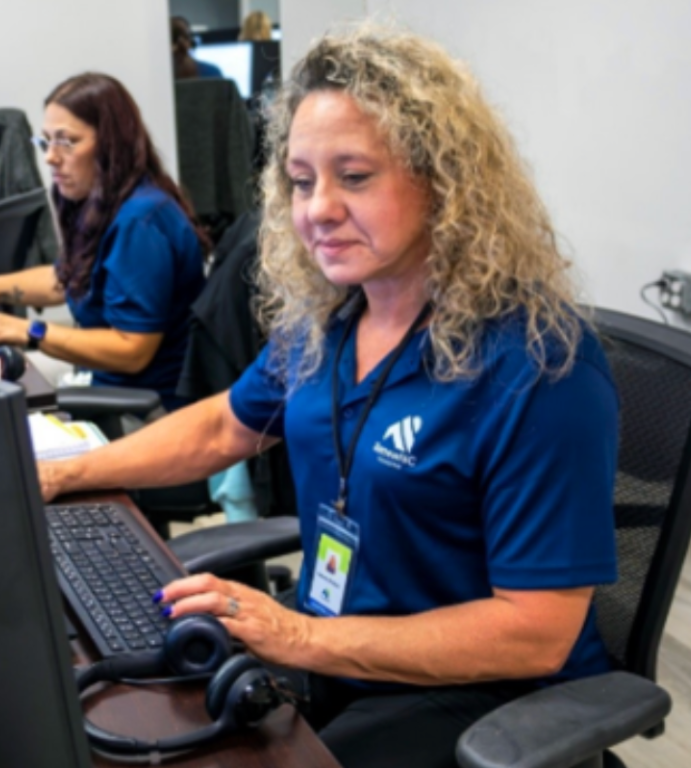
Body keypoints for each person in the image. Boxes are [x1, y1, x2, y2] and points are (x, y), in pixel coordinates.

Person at [39, 24, 618, 768]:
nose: (315, 210)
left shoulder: (538, 363)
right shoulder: (334, 322)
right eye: (302, 180)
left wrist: (300, 636)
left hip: (483, 697)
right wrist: (65, 474)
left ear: (445, 179)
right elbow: (224, 425)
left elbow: (536, 631)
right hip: (337, 655)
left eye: (354, 175)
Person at [0, 73, 208, 412]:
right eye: (46, 141)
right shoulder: (106, 202)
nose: (50, 158)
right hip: (103, 380)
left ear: (111, 145)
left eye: (67, 141)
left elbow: (132, 351)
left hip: (144, 408)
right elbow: (61, 279)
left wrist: (30, 330)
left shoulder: (139, 222)